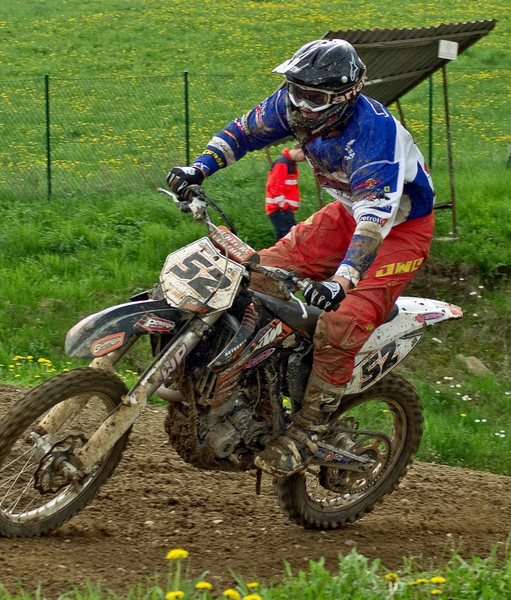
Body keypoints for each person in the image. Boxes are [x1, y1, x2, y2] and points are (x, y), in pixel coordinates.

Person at [166, 39, 435, 478]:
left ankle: (308, 429)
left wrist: (341, 281)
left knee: (342, 321)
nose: (303, 106)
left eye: (315, 97)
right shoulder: (291, 105)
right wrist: (198, 169)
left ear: (346, 95)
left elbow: (374, 220)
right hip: (344, 213)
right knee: (253, 277)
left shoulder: (374, 134)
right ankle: (249, 381)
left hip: (399, 229)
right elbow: (242, 133)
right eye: (297, 91)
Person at [266, 145, 305, 240]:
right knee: (289, 238)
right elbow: (275, 188)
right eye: (304, 158)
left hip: (282, 209)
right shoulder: (282, 164)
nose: (303, 160)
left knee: (283, 238)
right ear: (300, 151)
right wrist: (284, 207)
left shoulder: (290, 163)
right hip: (280, 209)